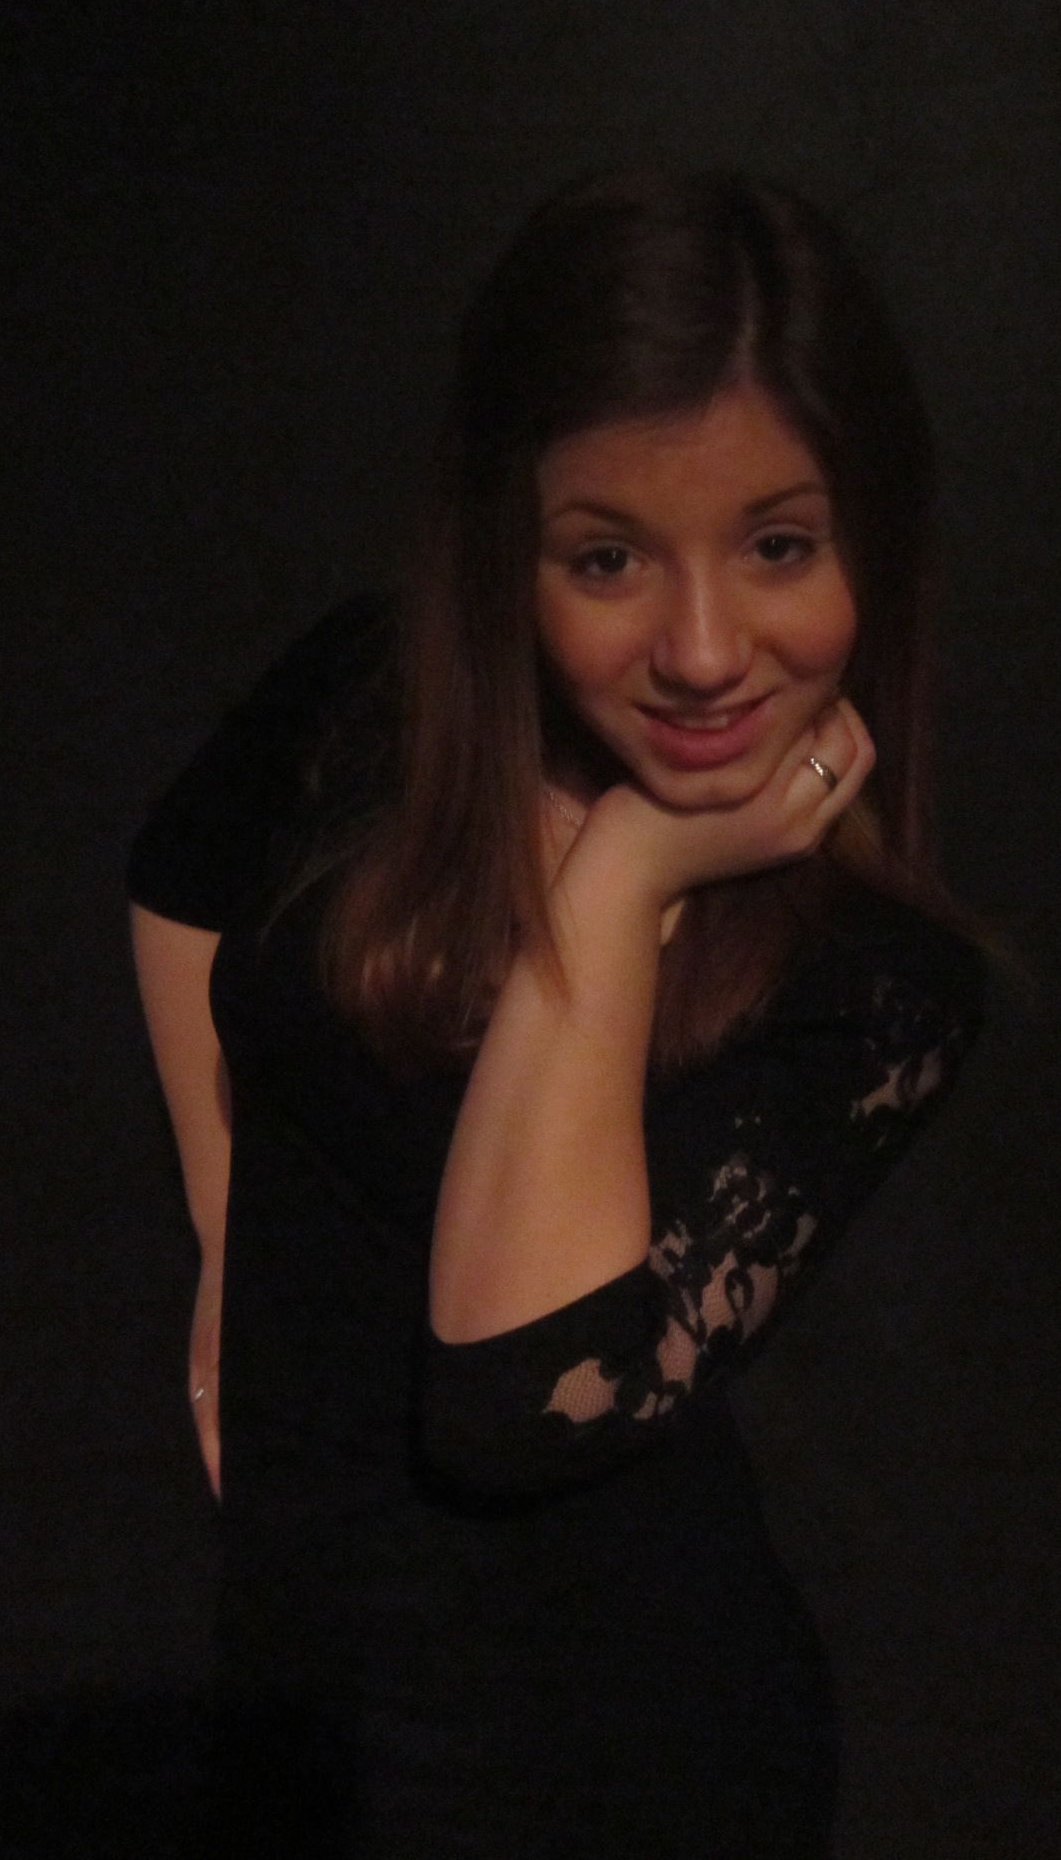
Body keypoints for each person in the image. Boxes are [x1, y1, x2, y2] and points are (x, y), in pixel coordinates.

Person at [128, 170, 985, 1857]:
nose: (703, 650)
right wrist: (230, 1236)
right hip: (303, 1696)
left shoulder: (875, 981)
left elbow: (519, 1394)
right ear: (508, 553)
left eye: (779, 547)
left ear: (871, 546)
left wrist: (623, 876)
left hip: (596, 1759)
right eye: (609, 558)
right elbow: (182, 875)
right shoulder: (373, 706)